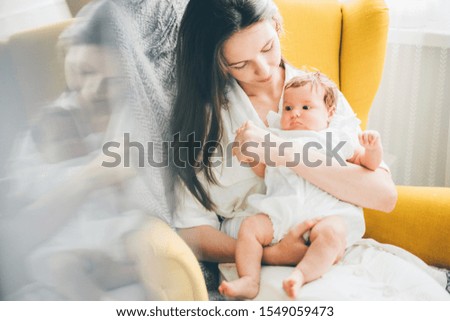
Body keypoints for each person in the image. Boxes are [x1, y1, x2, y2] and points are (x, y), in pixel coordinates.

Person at [171, 0, 449, 300]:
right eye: (240, 64)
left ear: (277, 25)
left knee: (423, 298)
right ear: (217, 62)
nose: (263, 69)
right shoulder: (206, 119)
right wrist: (273, 254)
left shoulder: (318, 94)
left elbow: (383, 195)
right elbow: (191, 231)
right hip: (257, 258)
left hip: (333, 243)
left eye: (267, 47)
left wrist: (279, 150)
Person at [218, 72, 383, 299]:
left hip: (324, 214)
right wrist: (250, 156)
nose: (295, 113)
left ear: (330, 113)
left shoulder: (336, 139)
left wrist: (373, 149)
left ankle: (301, 275)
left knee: (334, 233)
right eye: (288, 108)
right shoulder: (275, 136)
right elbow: (264, 172)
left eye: (306, 108)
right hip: (282, 210)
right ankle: (249, 279)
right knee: (250, 228)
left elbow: (368, 164)